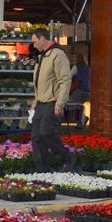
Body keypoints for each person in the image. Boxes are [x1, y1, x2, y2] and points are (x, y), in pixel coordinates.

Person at [30, 29, 74, 172]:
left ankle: (66, 158)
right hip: (41, 102)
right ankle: (42, 166)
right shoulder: (42, 57)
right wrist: (35, 103)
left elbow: (65, 80)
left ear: (42, 38)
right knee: (36, 136)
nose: (34, 45)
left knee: (46, 131)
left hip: (53, 101)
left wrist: (60, 103)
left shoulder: (57, 55)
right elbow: (39, 82)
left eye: (35, 42)